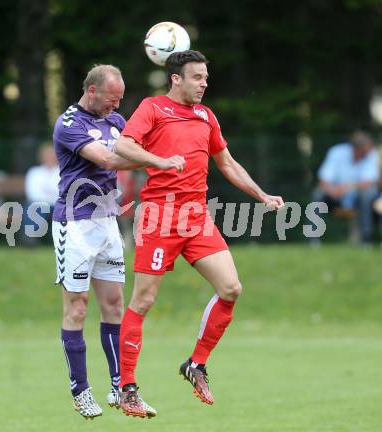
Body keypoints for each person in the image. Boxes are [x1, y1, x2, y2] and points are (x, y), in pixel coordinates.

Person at [114, 50, 284, 417]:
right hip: (159, 216)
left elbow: (227, 162)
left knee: (231, 288)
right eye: (197, 77)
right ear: (176, 78)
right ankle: (126, 387)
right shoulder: (153, 108)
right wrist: (159, 161)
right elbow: (123, 145)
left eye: (206, 77)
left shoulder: (206, 116)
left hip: (196, 216)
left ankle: (196, 364)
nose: (204, 83)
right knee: (142, 301)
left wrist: (261, 194)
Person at [51, 64, 155, 420]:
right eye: (111, 99)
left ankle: (118, 387)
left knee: (114, 306)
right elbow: (111, 157)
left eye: (120, 100)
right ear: (91, 91)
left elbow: (134, 148)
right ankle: (80, 391)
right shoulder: (69, 124)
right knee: (77, 308)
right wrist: (157, 160)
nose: (116, 106)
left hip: (108, 222)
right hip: (74, 224)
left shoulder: (116, 120)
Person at [312, 130, 379, 243]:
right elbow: (324, 180)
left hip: (359, 197)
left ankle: (366, 239)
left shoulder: (371, 154)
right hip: (335, 196)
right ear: (357, 149)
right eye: (365, 151)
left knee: (366, 194)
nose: (368, 153)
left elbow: (369, 182)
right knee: (318, 194)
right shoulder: (337, 152)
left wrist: (347, 187)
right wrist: (332, 190)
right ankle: (313, 239)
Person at [21, 144, 60, 245]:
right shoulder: (34, 172)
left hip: (58, 205)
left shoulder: (62, 172)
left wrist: (47, 192)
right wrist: (51, 193)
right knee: (34, 207)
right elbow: (32, 193)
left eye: (52, 155)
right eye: (46, 155)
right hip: (40, 204)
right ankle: (30, 239)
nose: (49, 158)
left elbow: (63, 192)